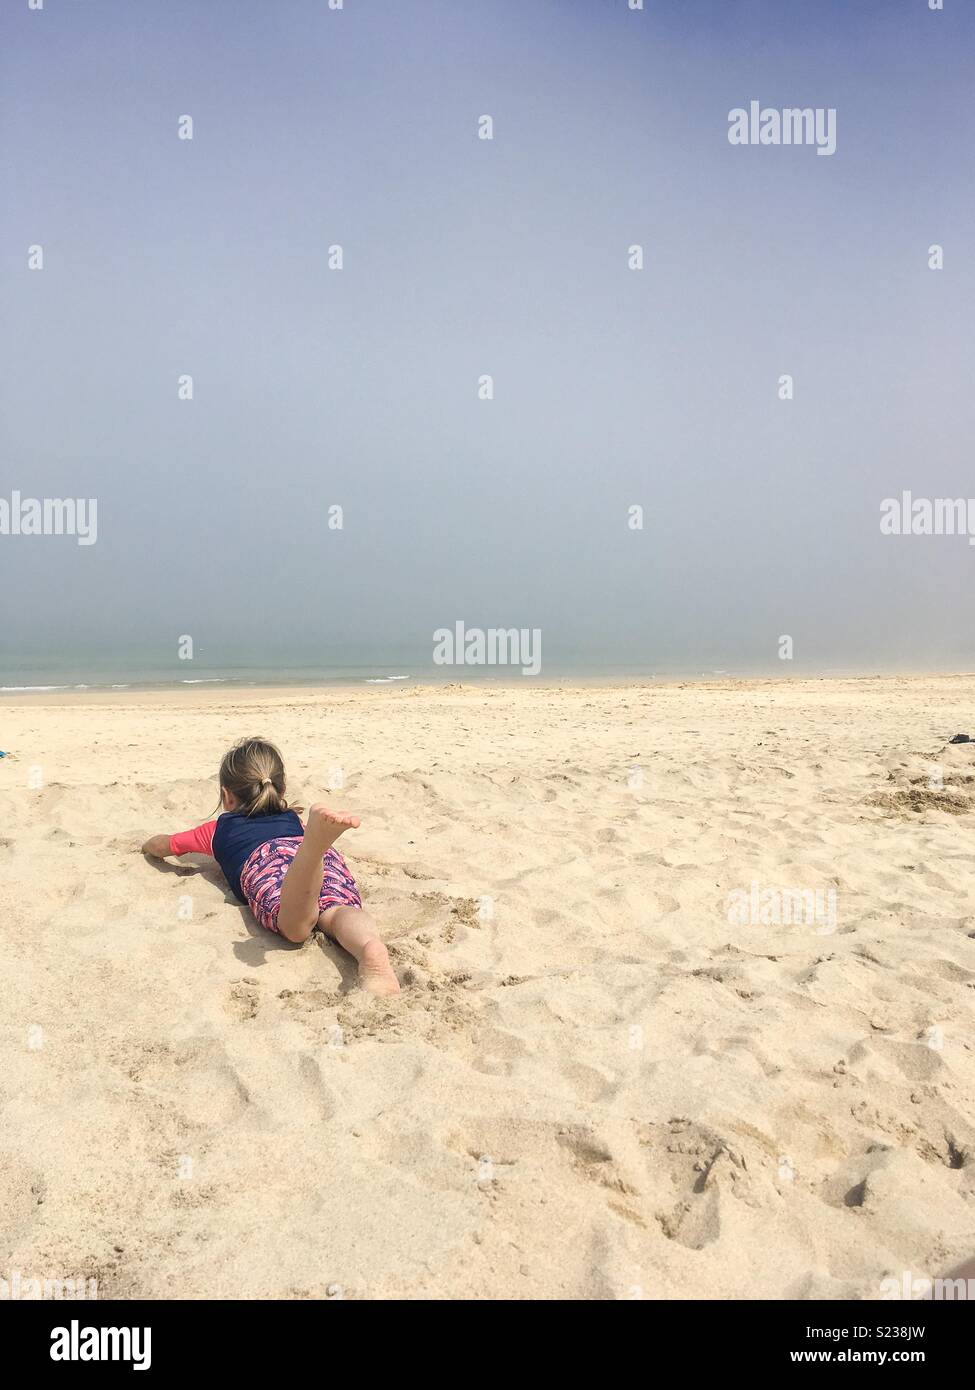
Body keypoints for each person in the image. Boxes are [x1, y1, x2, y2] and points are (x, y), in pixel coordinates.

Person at [141, 736, 399, 995]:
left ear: (226, 796)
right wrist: (310, 842)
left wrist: (147, 846)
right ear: (281, 788)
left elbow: (167, 846)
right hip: (311, 850)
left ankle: (311, 853)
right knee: (335, 910)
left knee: (296, 928)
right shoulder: (293, 820)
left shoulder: (218, 829)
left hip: (265, 861)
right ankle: (369, 946)